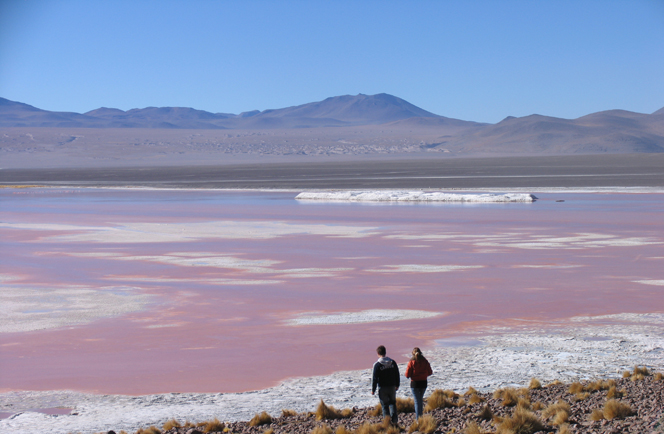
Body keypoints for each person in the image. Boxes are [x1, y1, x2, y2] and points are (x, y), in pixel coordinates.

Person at [371, 345, 400, 424]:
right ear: (385, 352)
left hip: (382, 388)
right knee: (392, 403)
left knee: (384, 406)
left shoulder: (377, 365)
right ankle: (394, 421)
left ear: (378, 353)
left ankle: (387, 423)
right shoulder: (392, 362)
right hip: (392, 387)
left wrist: (373, 390)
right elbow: (397, 374)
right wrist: (397, 384)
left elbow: (375, 378)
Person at [405, 347, 433, 419]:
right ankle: (420, 417)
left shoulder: (411, 362)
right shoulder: (425, 361)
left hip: (415, 384)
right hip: (423, 383)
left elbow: (407, 375)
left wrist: (413, 376)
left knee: (417, 401)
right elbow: (430, 372)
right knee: (420, 400)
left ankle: (418, 419)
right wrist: (424, 375)